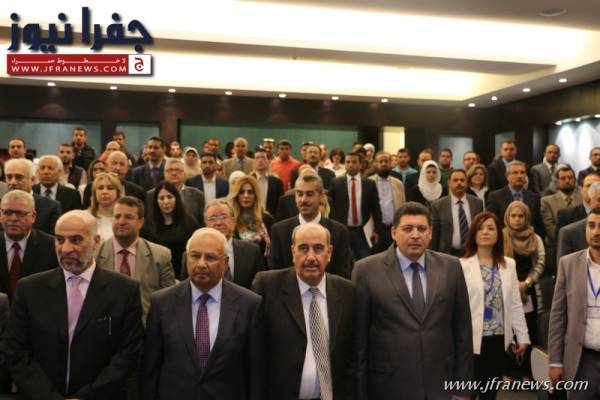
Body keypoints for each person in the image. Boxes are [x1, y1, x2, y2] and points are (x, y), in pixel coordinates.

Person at [6, 210, 143, 400]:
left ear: (96, 241)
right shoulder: (29, 289)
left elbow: (127, 354)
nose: (65, 249)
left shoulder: (124, 290)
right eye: (60, 240)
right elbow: (15, 351)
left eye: (76, 240)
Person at [352, 202, 473, 400]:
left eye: (422, 229)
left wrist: (463, 389)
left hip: (441, 384)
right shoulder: (365, 270)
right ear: (393, 232)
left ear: (430, 233)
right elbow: (359, 341)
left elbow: (463, 332)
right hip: (388, 386)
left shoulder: (451, 267)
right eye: (407, 229)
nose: (415, 235)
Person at [140, 228, 264, 400]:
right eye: (195, 256)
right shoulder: (162, 302)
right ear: (186, 258)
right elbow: (150, 368)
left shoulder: (249, 304)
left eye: (210, 257)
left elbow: (255, 371)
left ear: (225, 262)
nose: (201, 264)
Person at [252, 223, 356, 400]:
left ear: (329, 252)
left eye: (318, 248)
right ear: (293, 252)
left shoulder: (348, 292)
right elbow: (254, 354)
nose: (311, 257)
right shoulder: (267, 286)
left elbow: (353, 356)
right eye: (303, 248)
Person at [460, 211, 530, 400]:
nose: (485, 232)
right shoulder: (461, 265)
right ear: (473, 233)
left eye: (491, 228)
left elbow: (515, 304)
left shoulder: (509, 265)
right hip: (470, 340)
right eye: (480, 228)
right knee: (466, 393)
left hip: (498, 339)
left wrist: (522, 336)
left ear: (498, 234)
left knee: (489, 393)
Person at [96, 196, 175, 322]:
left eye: (128, 217)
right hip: (106, 327)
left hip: (146, 326)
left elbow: (170, 300)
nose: (121, 222)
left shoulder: (160, 256)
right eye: (117, 216)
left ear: (141, 222)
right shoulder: (95, 255)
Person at [548, 207, 600, 399]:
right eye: (591, 225)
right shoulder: (568, 264)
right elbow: (557, 316)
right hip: (581, 360)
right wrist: (555, 361)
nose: (596, 232)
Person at [269, 174, 352, 278]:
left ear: (321, 196)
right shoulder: (279, 231)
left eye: (309, 194)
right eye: (299, 194)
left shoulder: (339, 232)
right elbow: (275, 274)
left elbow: (344, 273)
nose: (303, 199)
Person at [502, 201, 544, 381]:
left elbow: (540, 263)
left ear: (526, 218)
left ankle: (527, 372)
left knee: (528, 329)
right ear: (507, 217)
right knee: (507, 330)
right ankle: (507, 372)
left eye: (521, 216)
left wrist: (526, 283)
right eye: (513, 216)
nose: (517, 219)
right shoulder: (501, 236)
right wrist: (512, 285)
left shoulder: (535, 238)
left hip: (528, 291)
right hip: (505, 289)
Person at [0, 190, 58, 299]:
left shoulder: (51, 247)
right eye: (7, 212)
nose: (13, 219)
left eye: (20, 213)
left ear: (33, 216)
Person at [328, 152, 383, 260]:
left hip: (362, 231)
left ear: (360, 164)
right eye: (348, 162)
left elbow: (376, 209)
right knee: (343, 260)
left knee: (366, 260)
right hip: (343, 230)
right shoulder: (336, 183)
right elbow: (329, 207)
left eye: (354, 162)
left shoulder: (369, 184)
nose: (351, 165)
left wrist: (377, 230)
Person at [141, 181, 200, 278]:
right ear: (156, 201)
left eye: (169, 197)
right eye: (161, 198)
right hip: (157, 275)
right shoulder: (148, 225)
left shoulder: (189, 222)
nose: (166, 202)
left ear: (176, 198)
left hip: (184, 275)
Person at [431, 169, 484, 256]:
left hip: (472, 252)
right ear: (449, 183)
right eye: (455, 180)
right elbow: (435, 234)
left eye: (462, 180)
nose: (459, 183)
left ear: (467, 182)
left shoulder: (477, 203)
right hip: (447, 254)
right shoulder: (438, 205)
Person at [541, 165, 581, 273]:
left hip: (581, 246)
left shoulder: (582, 198)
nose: (567, 181)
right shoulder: (547, 201)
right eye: (563, 178)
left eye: (570, 177)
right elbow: (551, 231)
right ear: (556, 181)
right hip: (558, 247)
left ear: (575, 180)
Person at [5, 158, 61, 235]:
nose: (13, 182)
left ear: (32, 180)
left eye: (19, 177)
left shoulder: (51, 207)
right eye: (9, 177)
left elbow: (53, 240)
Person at [486, 161, 543, 235]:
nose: (519, 176)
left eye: (522, 173)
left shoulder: (535, 198)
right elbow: (491, 222)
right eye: (515, 173)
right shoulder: (495, 197)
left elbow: (538, 225)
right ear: (507, 176)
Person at [146, 157, 205, 226]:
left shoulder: (197, 195)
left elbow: (202, 222)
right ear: (164, 174)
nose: (174, 173)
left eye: (178, 170)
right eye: (170, 170)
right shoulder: (151, 195)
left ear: (184, 174)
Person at [369, 151, 406, 253]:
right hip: (376, 230)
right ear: (376, 164)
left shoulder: (398, 184)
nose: (384, 164)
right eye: (380, 161)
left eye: (386, 161)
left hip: (394, 227)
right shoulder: (369, 182)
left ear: (391, 163)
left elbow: (403, 206)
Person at [229, 175, 274, 257]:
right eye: (241, 192)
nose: (246, 196)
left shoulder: (267, 219)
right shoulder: (231, 220)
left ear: (255, 195)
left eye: (250, 192)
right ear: (236, 195)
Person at [88, 172, 124, 241]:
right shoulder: (84, 217)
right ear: (94, 193)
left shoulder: (124, 219)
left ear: (118, 193)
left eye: (110, 188)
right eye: (100, 188)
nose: (104, 192)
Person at [250, 147, 284, 216]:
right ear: (253, 162)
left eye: (263, 157)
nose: (260, 160)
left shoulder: (277, 183)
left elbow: (280, 205)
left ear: (268, 161)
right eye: (257, 158)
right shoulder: (249, 181)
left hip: (271, 218)